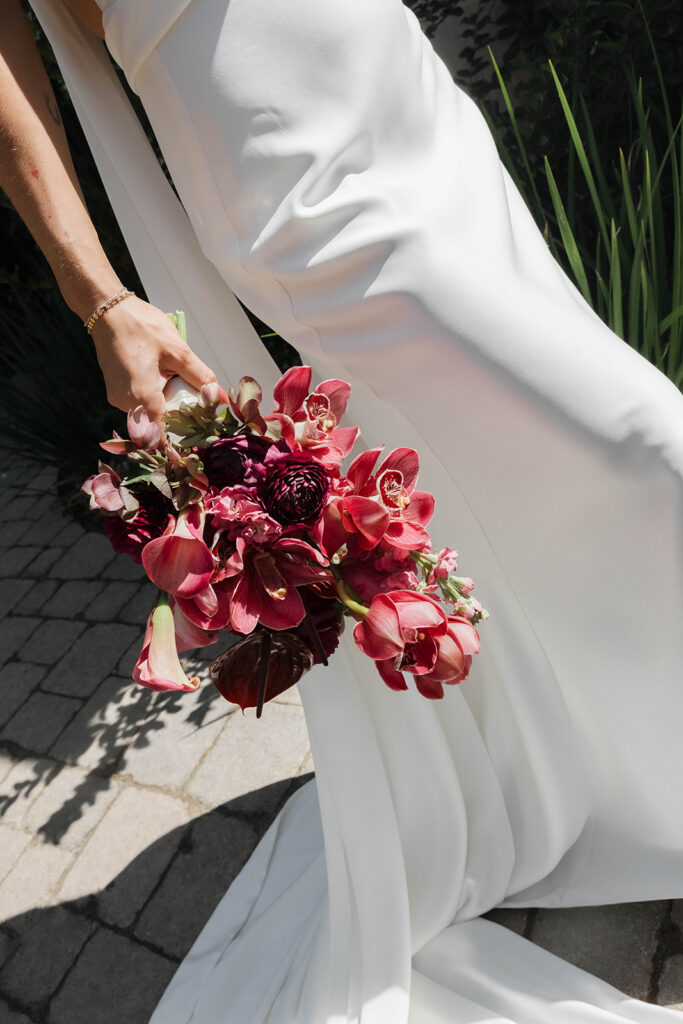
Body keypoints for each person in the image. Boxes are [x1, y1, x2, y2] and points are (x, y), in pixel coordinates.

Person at [3, 0, 683, 1021]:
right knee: (640, 439)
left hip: (387, 72)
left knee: (516, 474)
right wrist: (102, 299)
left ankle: (603, 765)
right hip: (283, 160)